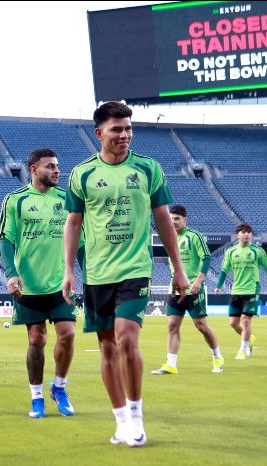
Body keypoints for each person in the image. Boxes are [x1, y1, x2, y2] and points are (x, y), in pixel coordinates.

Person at [61, 101, 189, 448]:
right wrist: (68, 270)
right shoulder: (82, 174)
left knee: (127, 340)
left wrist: (178, 269)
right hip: (97, 274)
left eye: (129, 128)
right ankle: (120, 420)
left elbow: (163, 220)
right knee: (106, 348)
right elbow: (73, 223)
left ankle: (136, 415)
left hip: (135, 269)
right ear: (99, 133)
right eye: (117, 129)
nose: (125, 134)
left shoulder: (149, 169)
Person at [0, 148, 76, 419]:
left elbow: (82, 237)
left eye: (57, 166)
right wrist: (11, 273)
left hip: (60, 283)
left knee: (67, 334)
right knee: (37, 338)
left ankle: (59, 388)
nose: (56, 170)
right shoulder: (15, 200)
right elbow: (6, 240)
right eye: (50, 166)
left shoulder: (67, 198)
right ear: (33, 169)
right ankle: (36, 397)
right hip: (28, 285)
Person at [152, 205, 223, 375]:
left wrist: (199, 280)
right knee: (172, 326)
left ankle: (217, 357)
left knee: (201, 326)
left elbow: (206, 258)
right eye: (171, 218)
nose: (173, 221)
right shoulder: (169, 237)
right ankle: (171, 364)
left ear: (185, 219)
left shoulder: (194, 236)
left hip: (194, 288)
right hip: (175, 289)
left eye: (177, 218)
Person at [215, 223, 267, 360]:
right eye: (244, 232)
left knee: (245, 320)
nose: (247, 234)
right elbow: (224, 270)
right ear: (238, 234)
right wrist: (218, 286)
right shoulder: (231, 252)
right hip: (236, 290)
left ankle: (243, 350)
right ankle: (250, 338)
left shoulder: (258, 252)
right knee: (233, 323)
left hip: (252, 290)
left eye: (249, 232)